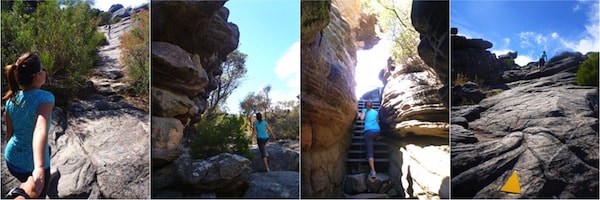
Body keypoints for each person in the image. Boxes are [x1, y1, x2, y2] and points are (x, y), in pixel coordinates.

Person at [3, 52, 54, 198]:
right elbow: (40, 128)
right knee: (38, 193)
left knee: (47, 149)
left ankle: (26, 184)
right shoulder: (45, 98)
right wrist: (39, 168)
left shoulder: (11, 100)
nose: (45, 72)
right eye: (42, 69)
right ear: (36, 76)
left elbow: (9, 133)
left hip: (11, 159)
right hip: (32, 165)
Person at [359, 101, 381, 180]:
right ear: (372, 106)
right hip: (377, 131)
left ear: (365, 106)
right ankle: (377, 138)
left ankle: (373, 171)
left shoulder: (364, 110)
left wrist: (361, 114)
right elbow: (378, 121)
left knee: (369, 151)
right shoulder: (376, 112)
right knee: (375, 136)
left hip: (368, 131)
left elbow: (361, 118)